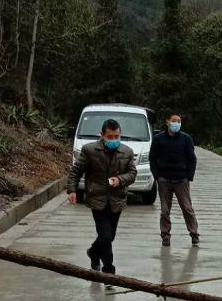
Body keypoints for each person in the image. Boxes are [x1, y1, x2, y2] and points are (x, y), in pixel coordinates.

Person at [67, 119, 137, 275]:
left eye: (116, 136)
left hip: (117, 199)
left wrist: (120, 180)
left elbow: (132, 174)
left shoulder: (127, 152)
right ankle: (109, 270)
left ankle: (93, 252)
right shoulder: (89, 150)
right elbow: (75, 171)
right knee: (105, 235)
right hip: (97, 198)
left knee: (109, 236)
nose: (113, 140)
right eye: (110, 137)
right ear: (102, 135)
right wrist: (71, 190)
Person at [149, 113, 199, 247]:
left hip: (181, 180)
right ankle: (165, 235)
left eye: (179, 121)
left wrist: (189, 176)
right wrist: (157, 176)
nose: (176, 123)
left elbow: (192, 159)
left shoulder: (186, 139)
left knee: (187, 208)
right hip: (164, 180)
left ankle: (194, 233)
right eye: (174, 120)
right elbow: (152, 158)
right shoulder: (158, 139)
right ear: (167, 122)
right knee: (165, 210)